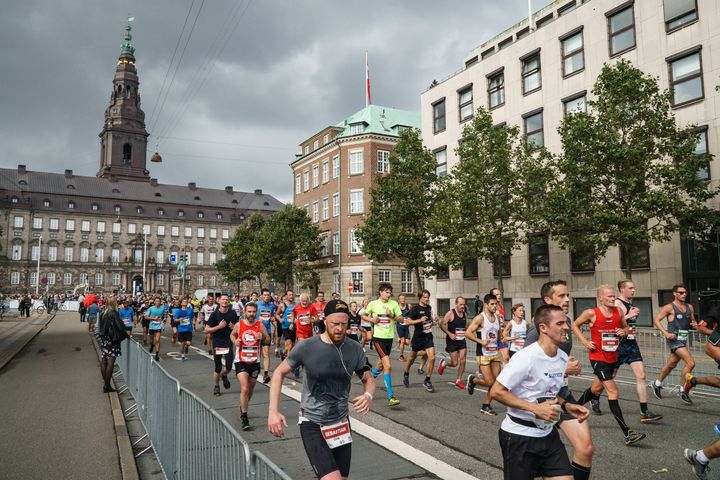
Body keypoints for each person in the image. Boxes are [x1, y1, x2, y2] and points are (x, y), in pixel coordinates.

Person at [268, 299, 375, 480]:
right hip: (313, 422)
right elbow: (278, 373)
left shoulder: (354, 349)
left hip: (340, 423)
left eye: (343, 324)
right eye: (335, 324)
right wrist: (273, 412)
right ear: (324, 320)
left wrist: (368, 395)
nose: (339, 329)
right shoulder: (307, 347)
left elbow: (368, 378)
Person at [491, 304, 590, 480]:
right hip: (519, 435)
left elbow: (547, 391)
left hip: (548, 434)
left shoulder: (562, 357)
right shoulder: (525, 357)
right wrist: (534, 408)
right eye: (560, 323)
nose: (566, 327)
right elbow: (496, 392)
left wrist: (566, 406)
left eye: (566, 323)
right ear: (543, 328)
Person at [521, 280, 594, 480]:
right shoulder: (539, 329)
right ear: (548, 299)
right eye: (561, 296)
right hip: (538, 398)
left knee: (586, 448)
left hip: (561, 393)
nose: (567, 299)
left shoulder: (566, 323)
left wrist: (566, 368)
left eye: (568, 295)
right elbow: (524, 367)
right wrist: (564, 369)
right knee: (535, 461)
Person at [573, 285, 646, 446]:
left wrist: (624, 331)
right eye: (609, 296)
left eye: (614, 296)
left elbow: (626, 327)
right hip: (597, 358)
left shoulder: (618, 312)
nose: (613, 299)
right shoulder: (591, 313)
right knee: (613, 391)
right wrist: (585, 341)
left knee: (595, 390)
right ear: (600, 298)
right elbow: (574, 325)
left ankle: (571, 409)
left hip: (613, 357)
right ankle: (627, 433)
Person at [614, 280, 662, 422]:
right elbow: (613, 322)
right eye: (630, 288)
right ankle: (595, 397)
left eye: (634, 288)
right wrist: (630, 314)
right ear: (622, 289)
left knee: (641, 376)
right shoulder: (617, 304)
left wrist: (632, 315)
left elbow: (628, 324)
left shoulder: (630, 303)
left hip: (631, 343)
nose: (633, 290)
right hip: (618, 345)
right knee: (609, 377)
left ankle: (644, 411)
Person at [652, 284, 697, 403]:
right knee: (691, 363)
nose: (684, 294)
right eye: (681, 292)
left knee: (671, 364)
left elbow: (693, 322)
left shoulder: (690, 307)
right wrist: (666, 333)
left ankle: (657, 384)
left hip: (683, 339)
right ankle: (683, 390)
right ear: (675, 294)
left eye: (685, 292)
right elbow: (656, 320)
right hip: (673, 339)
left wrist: (696, 325)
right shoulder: (669, 307)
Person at [231, 302, 270, 430]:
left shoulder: (260, 325)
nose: (251, 314)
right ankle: (244, 417)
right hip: (241, 360)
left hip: (254, 361)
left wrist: (263, 336)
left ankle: (243, 405)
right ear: (245, 312)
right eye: (249, 312)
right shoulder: (239, 324)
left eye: (253, 312)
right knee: (245, 388)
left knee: (250, 390)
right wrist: (235, 341)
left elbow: (268, 340)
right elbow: (232, 334)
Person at [363, 283, 402, 407]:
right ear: (380, 292)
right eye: (386, 292)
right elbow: (363, 315)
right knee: (388, 365)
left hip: (389, 338)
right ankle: (390, 396)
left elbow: (401, 319)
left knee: (380, 366)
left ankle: (368, 380)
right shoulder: (373, 304)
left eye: (390, 292)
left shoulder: (394, 304)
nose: (388, 294)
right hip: (378, 338)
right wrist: (372, 320)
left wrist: (393, 316)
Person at [465, 293, 502, 415]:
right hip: (483, 354)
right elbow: (468, 333)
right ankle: (474, 380)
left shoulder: (497, 317)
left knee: (497, 382)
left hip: (495, 352)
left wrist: (504, 338)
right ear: (486, 305)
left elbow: (499, 335)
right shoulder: (480, 318)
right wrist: (481, 341)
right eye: (492, 304)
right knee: (490, 382)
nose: (495, 306)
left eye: (496, 304)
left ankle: (486, 405)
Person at [402, 289, 438, 392]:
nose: (427, 299)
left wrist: (434, 321)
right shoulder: (415, 309)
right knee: (411, 358)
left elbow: (429, 322)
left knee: (432, 358)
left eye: (428, 297)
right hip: (418, 337)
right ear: (420, 297)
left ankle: (427, 380)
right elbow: (408, 322)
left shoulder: (429, 308)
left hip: (428, 336)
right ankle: (406, 373)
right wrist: (419, 320)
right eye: (425, 297)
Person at [683, 303, 720, 401]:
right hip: (715, 347)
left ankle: (693, 381)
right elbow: (700, 328)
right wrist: (715, 334)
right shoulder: (716, 310)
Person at [205, 294, 238, 396]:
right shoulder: (214, 315)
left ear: (229, 302)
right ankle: (216, 386)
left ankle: (224, 375)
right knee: (218, 367)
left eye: (227, 300)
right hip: (218, 343)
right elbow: (206, 330)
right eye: (223, 299)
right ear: (219, 301)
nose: (225, 301)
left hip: (228, 343)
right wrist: (219, 327)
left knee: (228, 366)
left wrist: (234, 327)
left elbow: (238, 326)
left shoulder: (232, 313)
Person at [98, 296, 129, 393]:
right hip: (112, 339)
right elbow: (120, 327)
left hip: (104, 339)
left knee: (104, 360)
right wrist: (126, 335)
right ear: (113, 303)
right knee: (111, 360)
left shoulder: (103, 313)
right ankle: (107, 385)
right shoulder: (114, 313)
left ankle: (106, 385)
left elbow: (101, 327)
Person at [438, 296, 468, 389]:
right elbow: (441, 324)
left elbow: (465, 326)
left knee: (463, 360)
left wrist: (466, 331)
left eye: (464, 304)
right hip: (452, 341)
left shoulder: (465, 314)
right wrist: (450, 333)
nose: (463, 306)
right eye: (461, 304)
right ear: (456, 304)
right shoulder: (450, 313)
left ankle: (458, 380)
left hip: (462, 340)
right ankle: (444, 363)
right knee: (455, 363)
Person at [256, 288, 277, 383]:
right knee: (257, 353)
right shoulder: (256, 305)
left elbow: (271, 316)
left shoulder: (272, 306)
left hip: (267, 332)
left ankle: (265, 374)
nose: (266, 297)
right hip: (256, 331)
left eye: (268, 295)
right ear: (261, 296)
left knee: (266, 352)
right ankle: (255, 369)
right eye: (264, 295)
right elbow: (248, 315)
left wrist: (274, 321)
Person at [275, 290, 297, 360]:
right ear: (286, 296)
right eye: (290, 295)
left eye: (292, 295)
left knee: (292, 345)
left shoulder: (295, 305)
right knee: (289, 343)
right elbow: (277, 314)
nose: (291, 296)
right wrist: (280, 319)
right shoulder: (282, 305)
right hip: (285, 327)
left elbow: (297, 315)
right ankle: (288, 362)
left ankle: (284, 352)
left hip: (294, 327)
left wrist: (295, 321)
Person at [491, 288, 510, 363]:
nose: (499, 296)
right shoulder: (489, 307)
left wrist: (505, 326)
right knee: (492, 359)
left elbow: (502, 320)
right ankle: (480, 371)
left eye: (500, 294)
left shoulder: (501, 306)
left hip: (501, 334)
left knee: (506, 357)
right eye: (496, 294)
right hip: (493, 335)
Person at [146, 297, 165, 361]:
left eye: (158, 301)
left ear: (160, 302)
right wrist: (154, 319)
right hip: (151, 326)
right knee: (151, 340)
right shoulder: (151, 308)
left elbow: (164, 315)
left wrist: (164, 319)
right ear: (154, 302)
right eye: (156, 301)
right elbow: (146, 317)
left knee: (157, 340)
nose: (157, 302)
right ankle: (151, 345)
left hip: (158, 326)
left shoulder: (162, 308)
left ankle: (157, 354)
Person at [396, 294, 411, 362]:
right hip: (399, 326)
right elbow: (394, 316)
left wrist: (410, 321)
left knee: (407, 342)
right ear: (399, 300)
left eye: (403, 298)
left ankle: (400, 341)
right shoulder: (397, 307)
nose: (402, 300)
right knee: (403, 341)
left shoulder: (409, 306)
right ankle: (401, 356)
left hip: (406, 326)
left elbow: (411, 314)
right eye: (401, 299)